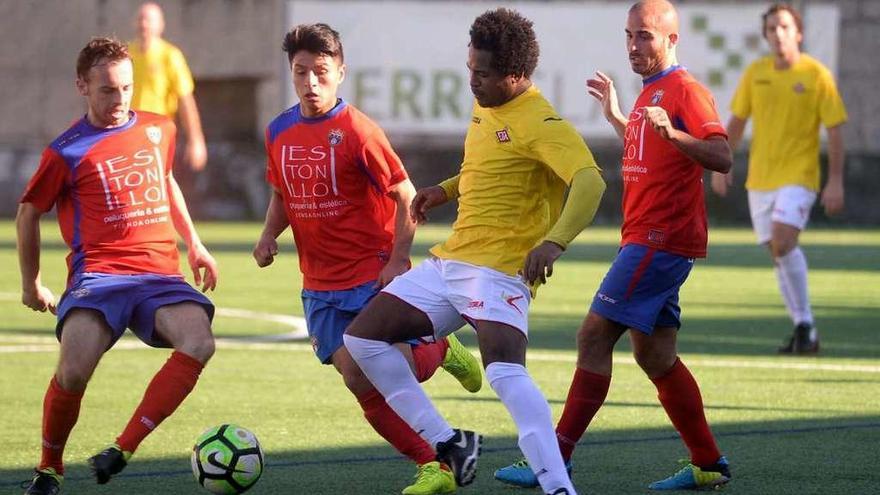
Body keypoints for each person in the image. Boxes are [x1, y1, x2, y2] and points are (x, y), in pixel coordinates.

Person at [343, 8, 606, 495]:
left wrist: (554, 241)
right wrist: (445, 189)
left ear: (515, 75)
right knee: (361, 341)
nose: (472, 81)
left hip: (500, 271)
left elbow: (590, 181)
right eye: (469, 68)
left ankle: (558, 487)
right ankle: (450, 443)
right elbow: (490, 168)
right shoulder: (487, 103)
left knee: (505, 374)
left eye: (482, 73)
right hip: (450, 263)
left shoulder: (542, 122)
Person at [494, 0, 733, 491]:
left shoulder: (685, 90)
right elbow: (652, 148)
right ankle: (709, 463)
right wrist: (619, 118)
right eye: (629, 34)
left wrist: (676, 132)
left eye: (645, 35)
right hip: (647, 239)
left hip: (659, 241)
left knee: (592, 337)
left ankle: (555, 457)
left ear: (672, 39)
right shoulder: (651, 92)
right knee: (656, 357)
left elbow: (722, 155)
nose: (633, 45)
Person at [253, 23, 483, 495]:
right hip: (319, 284)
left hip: (372, 273)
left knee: (382, 367)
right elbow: (283, 193)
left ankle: (437, 354)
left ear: (340, 72)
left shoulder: (358, 131)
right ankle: (436, 465)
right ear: (291, 74)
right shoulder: (279, 131)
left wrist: (398, 259)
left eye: (321, 72)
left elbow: (406, 195)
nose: (311, 82)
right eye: (301, 72)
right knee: (357, 380)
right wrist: (268, 236)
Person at [18, 37, 218, 495]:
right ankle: (49, 469)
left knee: (199, 342)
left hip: (159, 276)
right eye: (107, 89)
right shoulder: (66, 151)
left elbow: (165, 179)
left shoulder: (159, 128)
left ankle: (121, 448)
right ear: (82, 87)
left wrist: (196, 244)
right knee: (72, 371)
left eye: (126, 88)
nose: (120, 99)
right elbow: (29, 212)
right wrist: (31, 285)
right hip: (99, 277)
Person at [711, 2, 847, 354]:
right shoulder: (756, 73)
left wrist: (835, 181)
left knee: (783, 243)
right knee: (777, 252)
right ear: (766, 35)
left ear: (798, 33)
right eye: (772, 28)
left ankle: (804, 325)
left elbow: (834, 131)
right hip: (761, 179)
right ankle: (806, 330)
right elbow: (737, 122)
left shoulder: (817, 75)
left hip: (799, 177)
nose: (778, 33)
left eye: (785, 27)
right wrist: (723, 165)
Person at [130, 2, 208, 210]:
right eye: (141, 19)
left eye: (149, 19)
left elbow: (185, 100)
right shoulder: (126, 54)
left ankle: (163, 228)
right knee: (130, 184)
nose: (144, 24)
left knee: (157, 181)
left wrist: (196, 139)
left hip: (156, 132)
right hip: (128, 131)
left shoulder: (170, 56)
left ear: (160, 25)